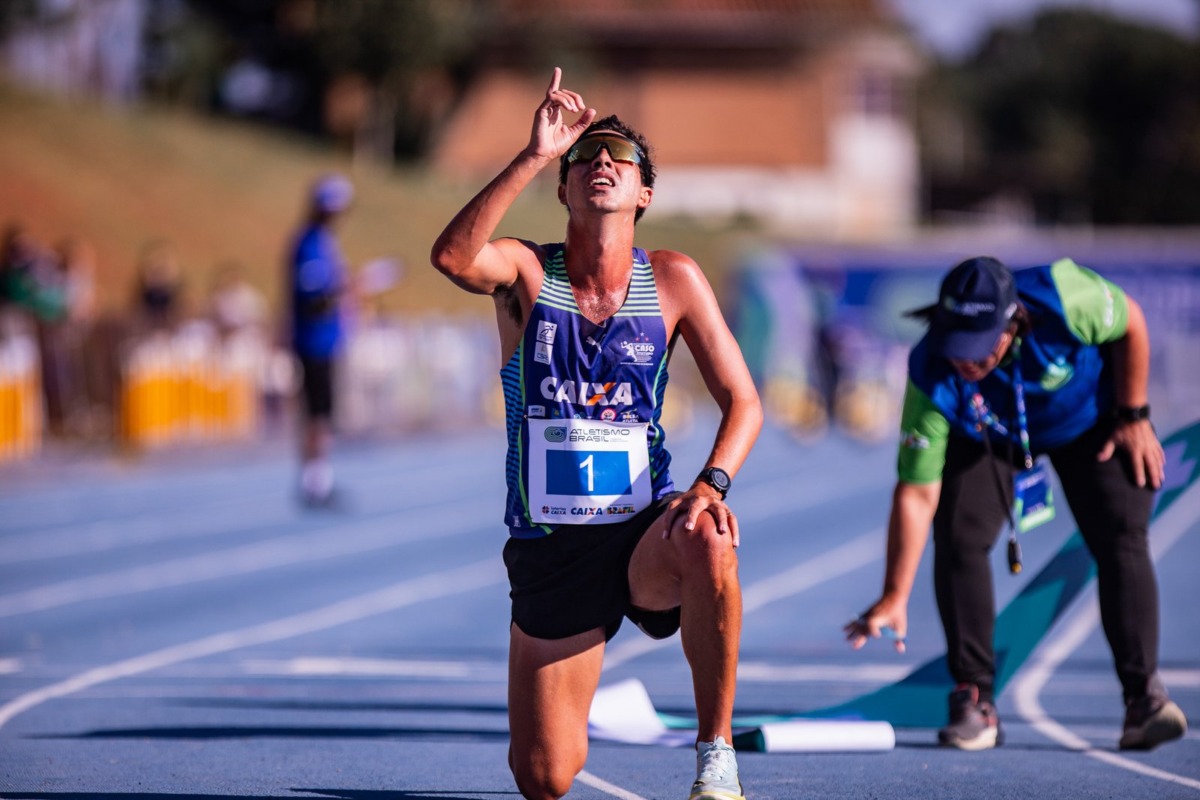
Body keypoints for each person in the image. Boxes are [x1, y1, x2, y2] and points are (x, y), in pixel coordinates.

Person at [429, 68, 762, 800]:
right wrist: (536, 153)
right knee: (545, 778)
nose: (601, 163)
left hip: (644, 527)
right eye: (586, 159)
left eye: (619, 158)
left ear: (645, 192)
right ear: (565, 188)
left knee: (711, 536)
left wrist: (712, 483)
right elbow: (453, 258)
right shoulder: (527, 271)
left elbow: (744, 401)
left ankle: (717, 756)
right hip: (553, 549)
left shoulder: (673, 279)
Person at [845, 256, 1188, 752]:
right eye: (956, 343)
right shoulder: (931, 372)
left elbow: (1131, 320)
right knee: (959, 535)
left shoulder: (1066, 297)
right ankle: (974, 698)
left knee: (1122, 532)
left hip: (1088, 422)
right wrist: (895, 593)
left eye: (979, 348)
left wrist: (1133, 414)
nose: (965, 361)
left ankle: (1144, 700)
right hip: (989, 437)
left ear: (1013, 324)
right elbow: (917, 493)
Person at [287, 173, 354, 507]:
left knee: (322, 412)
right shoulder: (310, 243)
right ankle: (314, 481)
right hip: (314, 340)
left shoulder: (323, 241)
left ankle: (318, 477)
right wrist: (349, 288)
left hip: (325, 339)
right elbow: (313, 299)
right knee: (317, 411)